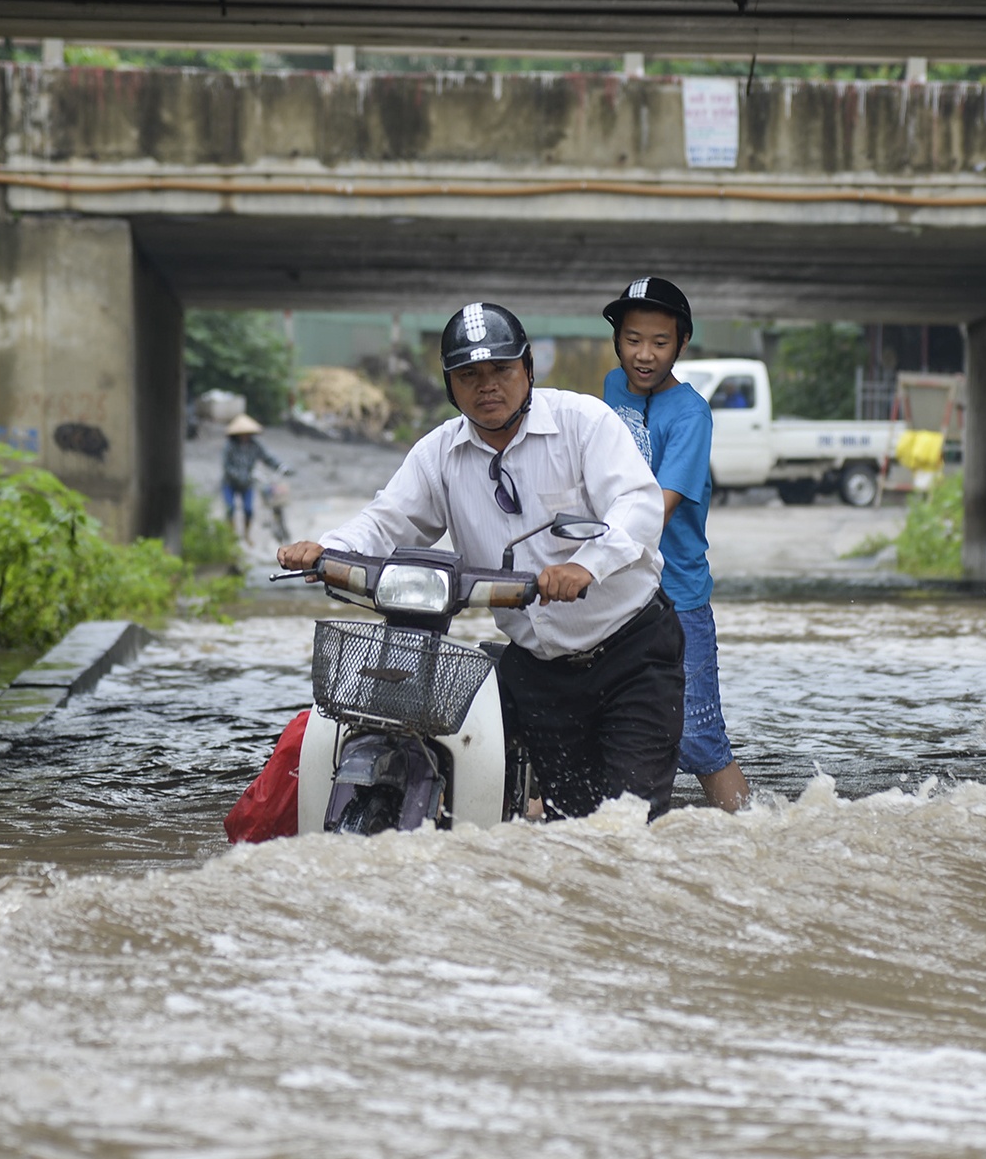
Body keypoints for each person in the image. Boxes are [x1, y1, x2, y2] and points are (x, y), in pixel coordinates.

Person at [276, 301, 684, 823]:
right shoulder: (438, 454)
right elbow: (386, 521)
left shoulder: (584, 423)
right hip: (538, 670)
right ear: (451, 386)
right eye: (469, 375)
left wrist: (586, 565)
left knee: (630, 827)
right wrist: (326, 549)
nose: (487, 386)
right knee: (573, 830)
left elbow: (638, 504)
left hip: (632, 655)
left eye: (501, 370)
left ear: (529, 369)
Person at [600, 276, 751, 812]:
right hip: (615, 592)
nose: (644, 355)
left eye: (660, 343)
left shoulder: (690, 414)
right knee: (600, 725)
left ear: (682, 344)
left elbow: (657, 506)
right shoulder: (611, 391)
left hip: (676, 597)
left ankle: (753, 839)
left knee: (699, 737)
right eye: (633, 339)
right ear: (617, 338)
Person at [222, 413, 285, 543]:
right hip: (230, 483)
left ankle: (246, 534)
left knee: (248, 510)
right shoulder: (229, 446)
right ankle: (230, 536)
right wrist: (239, 476)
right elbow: (226, 466)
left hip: (247, 484)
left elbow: (267, 458)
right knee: (230, 508)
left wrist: (281, 466)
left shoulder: (255, 446)